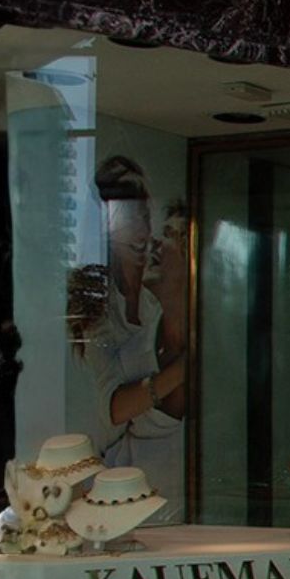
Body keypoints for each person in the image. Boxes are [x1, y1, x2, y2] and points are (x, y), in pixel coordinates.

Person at [71, 156, 189, 520]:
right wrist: (183, 370)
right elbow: (116, 409)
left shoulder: (153, 305)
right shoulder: (94, 305)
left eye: (144, 218)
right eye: (129, 219)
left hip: (154, 475)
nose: (142, 233)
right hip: (103, 483)